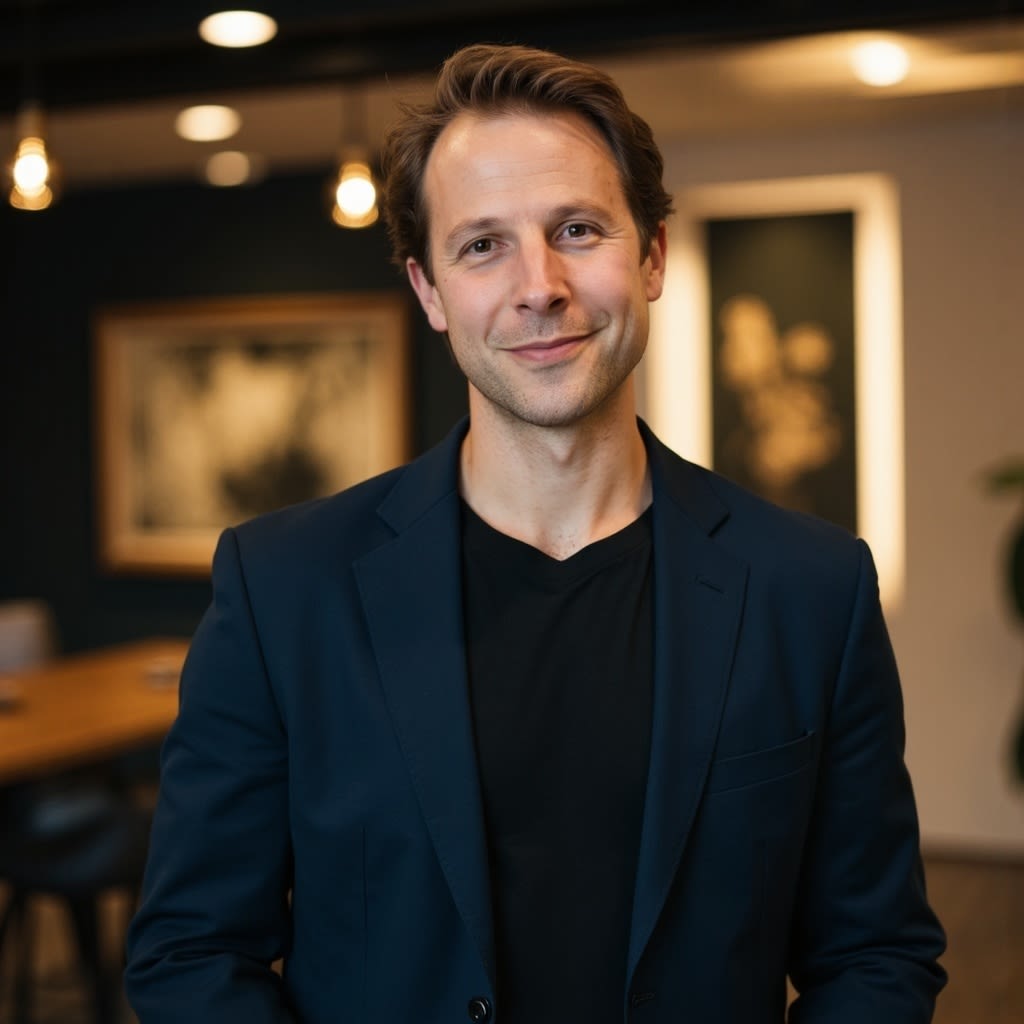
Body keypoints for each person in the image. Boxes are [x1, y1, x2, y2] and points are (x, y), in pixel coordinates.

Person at [125, 42, 946, 1024]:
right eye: (482, 245)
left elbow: (875, 955)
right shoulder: (281, 586)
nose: (539, 284)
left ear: (651, 257)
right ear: (430, 291)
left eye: (577, 228)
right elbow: (192, 954)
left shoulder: (810, 588)